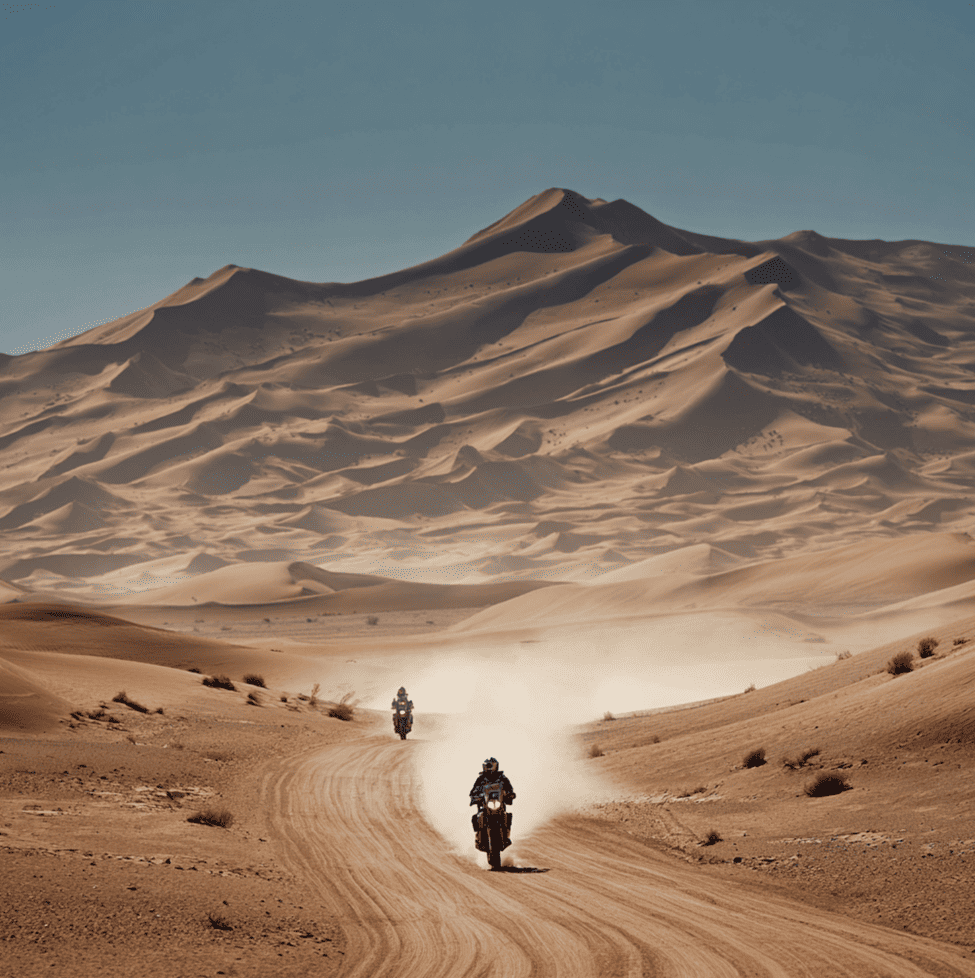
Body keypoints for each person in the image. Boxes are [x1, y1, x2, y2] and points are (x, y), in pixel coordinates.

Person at [469, 757, 515, 831]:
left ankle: (507, 834)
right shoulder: (481, 779)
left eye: (490, 765)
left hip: (499, 803)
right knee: (477, 817)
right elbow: (474, 790)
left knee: (507, 815)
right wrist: (475, 796)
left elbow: (509, 788)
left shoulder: (502, 777)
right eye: (487, 766)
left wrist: (510, 794)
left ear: (496, 766)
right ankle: (478, 838)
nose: (489, 768)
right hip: (485, 805)